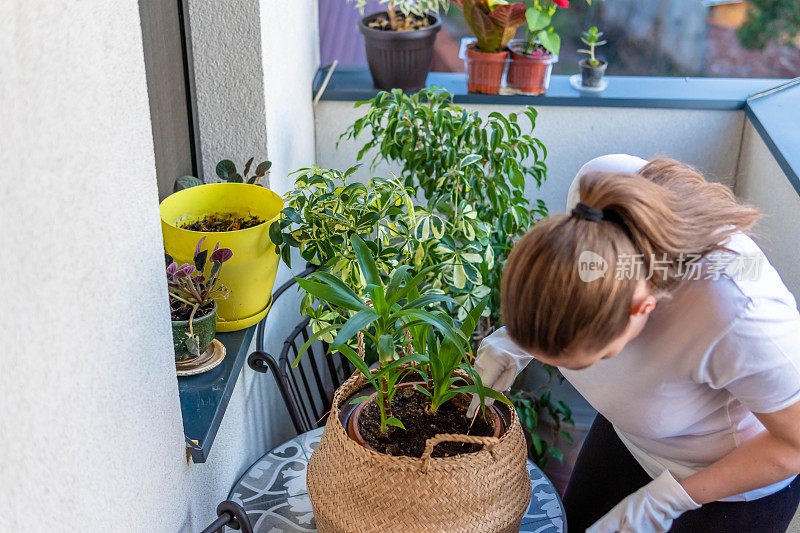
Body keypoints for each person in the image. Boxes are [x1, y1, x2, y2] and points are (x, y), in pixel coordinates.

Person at [467, 155, 800, 532]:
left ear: (643, 309)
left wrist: (670, 499)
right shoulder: (598, 201)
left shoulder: (738, 312)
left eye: (591, 360)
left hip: (730, 487)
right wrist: (519, 339)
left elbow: (794, 444)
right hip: (630, 438)